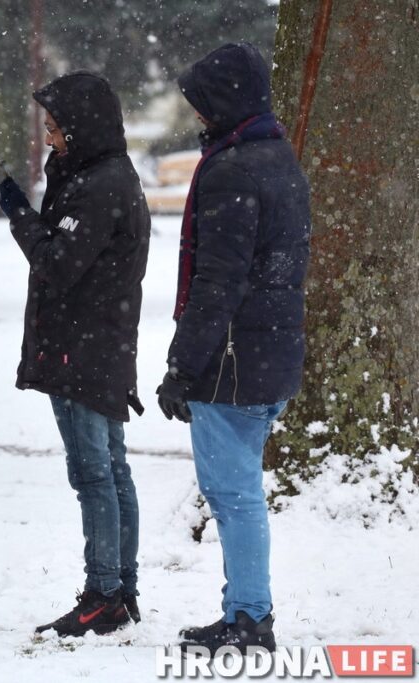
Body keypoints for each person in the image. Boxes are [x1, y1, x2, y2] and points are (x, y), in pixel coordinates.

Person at [155, 43, 311, 655]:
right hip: (271, 352)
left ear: (224, 103)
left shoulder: (232, 171)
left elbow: (219, 280)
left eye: (201, 104)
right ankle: (247, 613)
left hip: (233, 361)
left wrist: (182, 366)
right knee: (239, 491)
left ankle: (250, 618)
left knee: (233, 495)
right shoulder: (278, 157)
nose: (196, 116)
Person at [0, 72, 150, 637]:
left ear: (81, 127)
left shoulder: (101, 183)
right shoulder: (94, 173)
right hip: (93, 343)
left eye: (56, 128)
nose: (49, 138)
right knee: (110, 470)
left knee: (95, 473)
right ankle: (120, 587)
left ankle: (105, 594)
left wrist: (20, 217)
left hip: (86, 348)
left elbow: (60, 263)